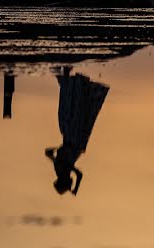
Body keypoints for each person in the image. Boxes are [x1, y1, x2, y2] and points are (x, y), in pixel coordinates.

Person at [44, 67, 110, 196]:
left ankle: (69, 79)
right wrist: (57, 151)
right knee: (74, 108)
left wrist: (75, 188)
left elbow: (79, 174)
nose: (70, 182)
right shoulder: (62, 169)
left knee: (74, 108)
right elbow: (48, 153)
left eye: (68, 183)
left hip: (73, 137)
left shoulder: (62, 169)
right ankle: (67, 78)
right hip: (74, 138)